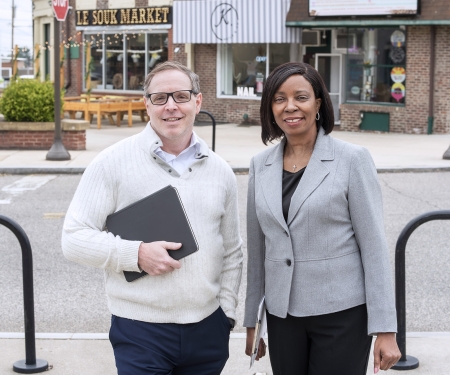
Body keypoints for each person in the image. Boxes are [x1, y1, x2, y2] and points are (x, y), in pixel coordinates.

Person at [62, 61, 243, 375]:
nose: (171, 106)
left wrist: (225, 314)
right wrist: (136, 254)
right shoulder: (111, 163)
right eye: (160, 98)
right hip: (140, 329)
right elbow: (74, 238)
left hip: (207, 331)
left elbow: (232, 251)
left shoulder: (221, 171)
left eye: (181, 96)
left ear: (198, 102)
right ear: (147, 104)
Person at [244, 62, 401, 375]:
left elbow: (373, 248)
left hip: (341, 315)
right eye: (279, 98)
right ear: (270, 108)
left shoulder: (352, 159)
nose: (290, 106)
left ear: (317, 104)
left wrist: (386, 329)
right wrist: (253, 322)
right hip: (282, 316)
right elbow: (258, 250)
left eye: (300, 97)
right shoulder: (259, 165)